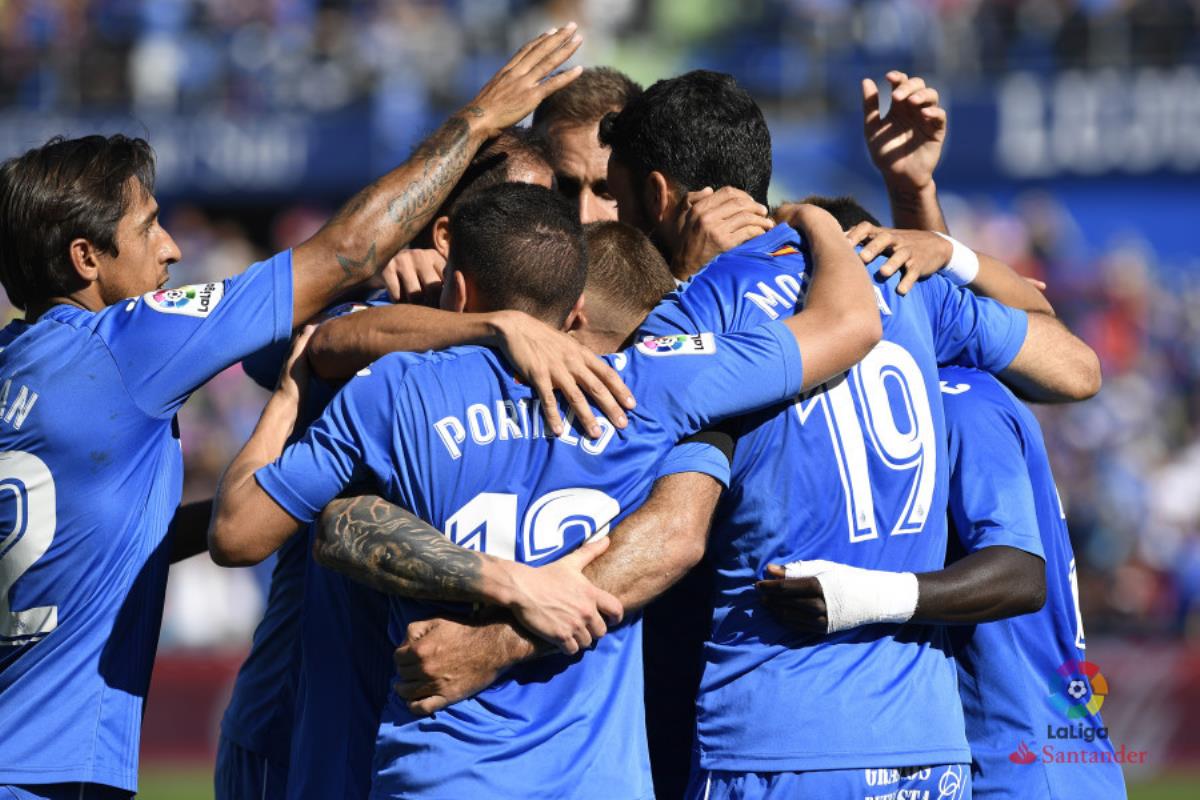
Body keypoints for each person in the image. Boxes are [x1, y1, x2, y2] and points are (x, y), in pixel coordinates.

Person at [0, 24, 593, 800]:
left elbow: (95, 537)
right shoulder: (127, 343)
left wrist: (289, 505)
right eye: (148, 227)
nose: (174, 248)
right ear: (86, 260)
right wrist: (481, 115)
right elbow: (346, 252)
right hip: (56, 767)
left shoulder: (18, 365)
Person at [208, 181, 882, 799]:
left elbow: (239, 535)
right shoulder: (647, 386)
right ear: (577, 308)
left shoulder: (392, 391)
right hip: (595, 781)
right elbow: (851, 324)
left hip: (440, 774)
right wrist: (815, 222)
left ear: (460, 291)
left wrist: (288, 396)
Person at [220, 127, 563, 800]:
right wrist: (373, 275)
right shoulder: (371, 325)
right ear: (445, 237)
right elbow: (271, 347)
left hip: (427, 732)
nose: (551, 227)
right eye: (530, 205)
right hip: (299, 725)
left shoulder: (557, 355)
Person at [764, 364, 1128, 800]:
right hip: (988, 755)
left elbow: (1021, 578)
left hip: (1025, 764)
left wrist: (858, 596)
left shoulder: (961, 400)